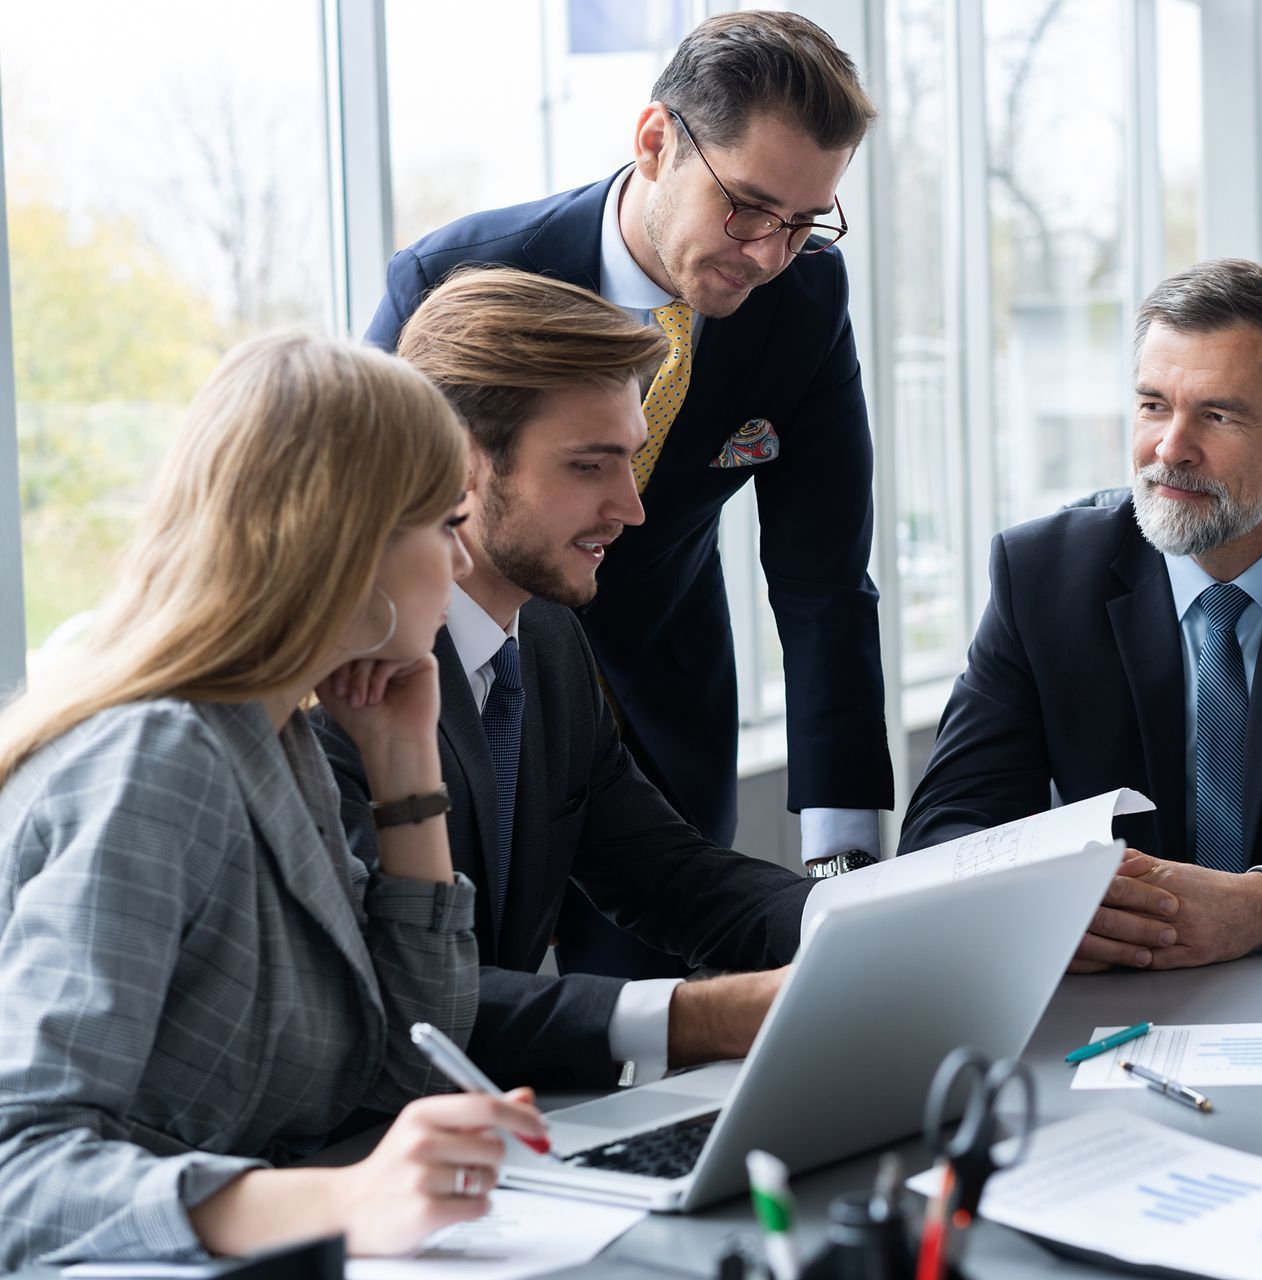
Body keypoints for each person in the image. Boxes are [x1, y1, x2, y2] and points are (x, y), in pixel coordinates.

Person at [0, 334, 548, 1268]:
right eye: (446, 524)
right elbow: (19, 1173)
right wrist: (336, 1200)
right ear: (347, 549)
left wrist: (405, 764)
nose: (460, 565)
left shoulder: (280, 735)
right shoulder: (156, 759)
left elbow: (407, 1071)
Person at [366, 12, 889, 980]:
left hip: (657, 702)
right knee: (452, 975)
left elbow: (824, 578)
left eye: (806, 221)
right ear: (656, 142)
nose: (773, 252)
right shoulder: (458, 283)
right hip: (440, 700)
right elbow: (362, 523)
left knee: (667, 960)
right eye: (749, 208)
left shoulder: (802, 297)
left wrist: (850, 865)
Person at [901, 259, 1262, 972]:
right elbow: (946, 827)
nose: (1169, 449)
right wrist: (1065, 904)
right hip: (1113, 994)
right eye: (1154, 405)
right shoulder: (1042, 576)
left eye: (1216, 415)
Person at [321, 267, 809, 1091]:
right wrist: (697, 1018)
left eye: (630, 462)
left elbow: (670, 877)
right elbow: (382, 996)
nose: (633, 505)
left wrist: (878, 927)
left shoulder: (546, 639)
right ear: (461, 464)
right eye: (590, 467)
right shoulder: (340, 681)